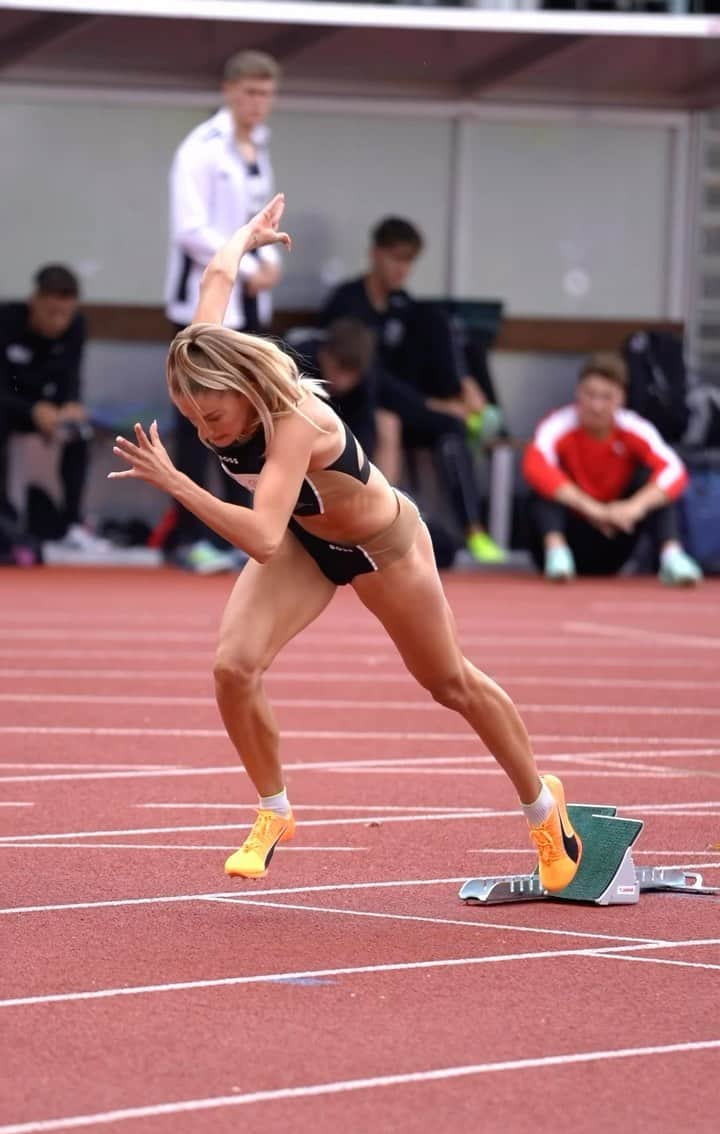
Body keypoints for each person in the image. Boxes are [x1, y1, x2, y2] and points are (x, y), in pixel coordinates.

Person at [109, 194, 583, 895]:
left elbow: (262, 537)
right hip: (308, 542)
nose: (206, 432)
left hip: (383, 546)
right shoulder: (205, 357)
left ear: (243, 390)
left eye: (213, 417)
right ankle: (275, 811)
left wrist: (178, 484)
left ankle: (546, 810)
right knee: (233, 668)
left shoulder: (294, 419)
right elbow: (215, 277)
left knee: (448, 682)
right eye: (190, 418)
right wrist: (249, 236)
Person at [320, 217, 505, 564]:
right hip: (358, 408)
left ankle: (474, 530)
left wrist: (459, 387)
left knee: (451, 427)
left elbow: (422, 362)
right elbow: (361, 375)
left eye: (409, 260)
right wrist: (430, 404)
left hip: (408, 404)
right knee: (388, 419)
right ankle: (378, 520)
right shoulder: (347, 302)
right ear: (375, 255)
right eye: (395, 257)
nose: (402, 268)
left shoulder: (405, 306)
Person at [165, 49, 282, 573]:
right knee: (197, 419)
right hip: (206, 299)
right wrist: (240, 257)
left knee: (249, 418)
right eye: (251, 92)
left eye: (267, 94)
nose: (259, 104)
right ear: (230, 91)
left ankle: (243, 524)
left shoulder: (257, 148)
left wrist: (269, 257)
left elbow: (263, 215)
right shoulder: (200, 149)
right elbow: (190, 229)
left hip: (251, 297)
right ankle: (189, 533)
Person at [523, 353, 703, 585]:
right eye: (590, 395)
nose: (596, 406)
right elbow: (534, 465)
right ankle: (557, 554)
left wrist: (633, 508)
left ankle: (672, 556)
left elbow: (674, 470)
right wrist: (594, 510)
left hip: (616, 535)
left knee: (651, 481)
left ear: (621, 399)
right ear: (578, 393)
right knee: (543, 489)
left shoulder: (634, 428)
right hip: (569, 534)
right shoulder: (558, 425)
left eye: (606, 397)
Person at [0, 264, 107, 555]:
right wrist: (32, 408)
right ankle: (5, 519)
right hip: (12, 407)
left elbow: (71, 375)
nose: (58, 322)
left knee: (80, 434)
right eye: (51, 312)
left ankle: (71, 521)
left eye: (65, 313)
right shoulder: (7, 321)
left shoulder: (76, 327)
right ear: (34, 301)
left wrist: (71, 404)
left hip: (50, 412)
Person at [288, 317, 402, 484]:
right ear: (325, 354)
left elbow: (363, 438)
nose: (342, 381)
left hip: (336, 443)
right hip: (295, 433)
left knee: (388, 423)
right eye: (339, 368)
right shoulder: (297, 361)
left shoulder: (364, 385)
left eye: (351, 374)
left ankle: (386, 501)